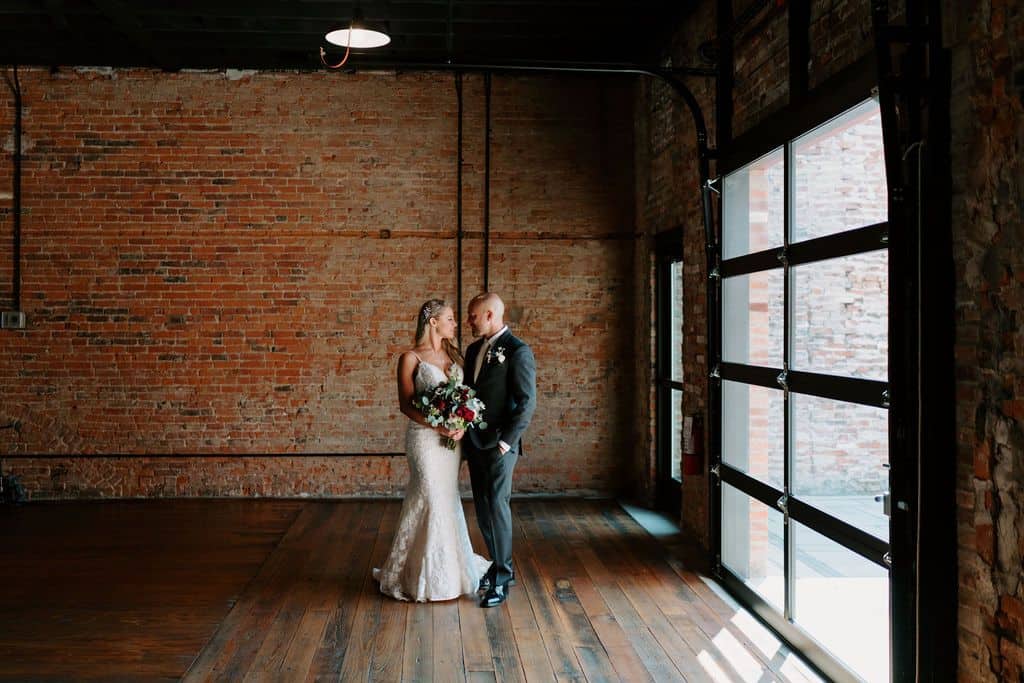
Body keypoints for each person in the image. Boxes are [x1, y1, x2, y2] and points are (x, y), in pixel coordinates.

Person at [373, 299, 490, 602]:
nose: (456, 324)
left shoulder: (455, 357)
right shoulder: (410, 358)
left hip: (452, 442)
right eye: (450, 319)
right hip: (424, 439)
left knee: (446, 497)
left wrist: (462, 423)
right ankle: (415, 575)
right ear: (433, 322)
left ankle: (450, 573)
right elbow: (405, 403)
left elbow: (465, 399)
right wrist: (437, 425)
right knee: (428, 493)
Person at [463, 293, 537, 608]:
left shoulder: (518, 351)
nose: (469, 321)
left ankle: (502, 578)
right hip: (474, 442)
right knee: (482, 509)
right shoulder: (473, 350)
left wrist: (506, 442)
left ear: (491, 315)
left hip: (500, 446)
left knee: (497, 506)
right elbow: (468, 393)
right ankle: (498, 567)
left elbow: (526, 402)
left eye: (473, 316)